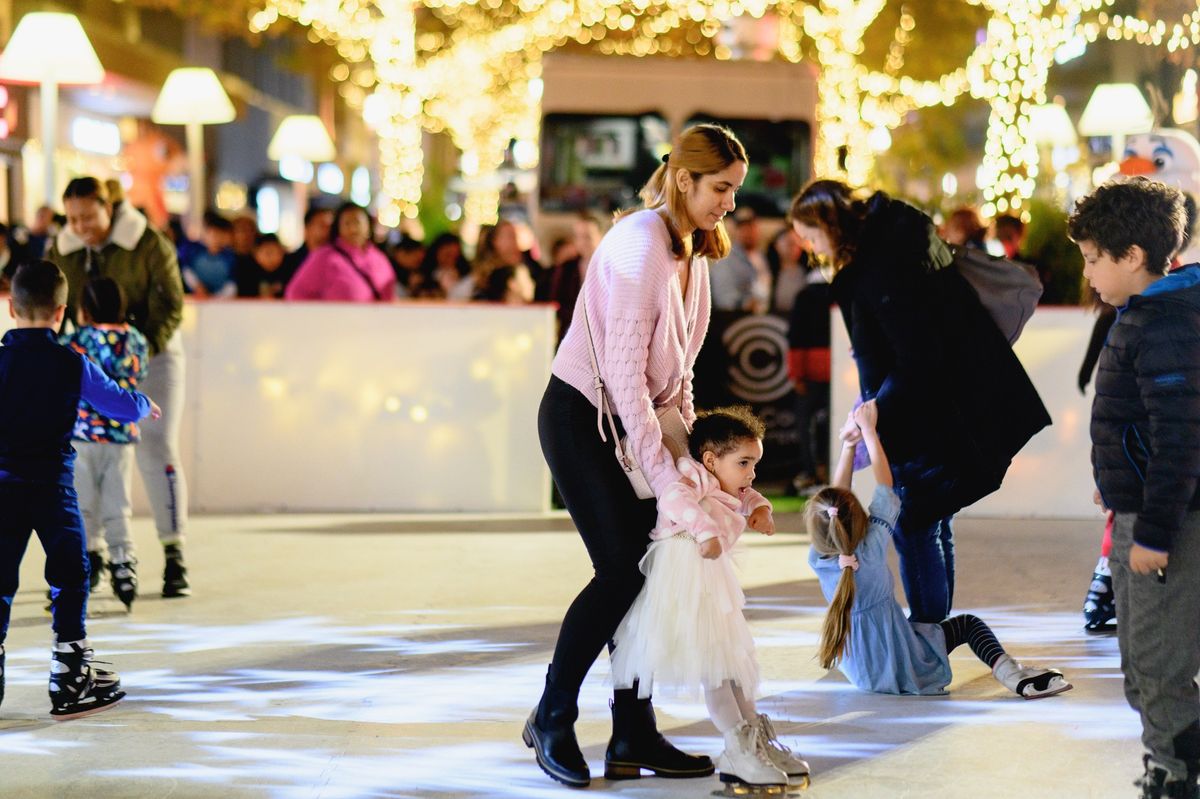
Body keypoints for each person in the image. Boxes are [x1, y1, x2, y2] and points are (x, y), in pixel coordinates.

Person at [526, 123, 748, 788]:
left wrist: (699, 465)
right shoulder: (637, 245)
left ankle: (633, 731)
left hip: (629, 421)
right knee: (623, 570)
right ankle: (552, 715)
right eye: (721, 188)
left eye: (733, 190)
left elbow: (677, 381)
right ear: (683, 178)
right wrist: (667, 480)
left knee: (646, 571)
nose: (730, 203)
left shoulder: (693, 252)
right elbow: (625, 382)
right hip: (580, 418)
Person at [789, 180, 1050, 623]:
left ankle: (929, 631)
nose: (812, 249)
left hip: (926, 416)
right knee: (931, 519)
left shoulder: (875, 270)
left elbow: (912, 355)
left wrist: (875, 411)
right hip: (947, 407)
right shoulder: (901, 243)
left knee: (914, 522)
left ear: (829, 225)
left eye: (811, 237)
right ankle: (936, 626)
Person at [1067, 177, 1200, 799]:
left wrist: (1153, 531)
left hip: (1163, 526)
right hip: (1135, 510)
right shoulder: (1142, 314)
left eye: (1094, 258)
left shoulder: (1165, 324)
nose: (1088, 272)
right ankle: (1171, 763)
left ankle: (1176, 775)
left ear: (1132, 257)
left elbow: (1180, 437)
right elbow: (1138, 425)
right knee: (1139, 662)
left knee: (1157, 664)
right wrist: (1114, 482)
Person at [808, 401, 1072, 700]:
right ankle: (1015, 677)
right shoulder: (870, 550)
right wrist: (869, 431)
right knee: (968, 625)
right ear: (858, 520)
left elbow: (840, 504)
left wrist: (848, 447)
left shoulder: (819, 559)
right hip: (905, 668)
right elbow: (885, 488)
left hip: (862, 674)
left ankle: (1013, 674)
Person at [611, 407, 809, 790]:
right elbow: (673, 501)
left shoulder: (726, 481)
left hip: (711, 579)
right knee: (716, 666)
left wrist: (762, 509)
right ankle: (736, 745)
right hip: (685, 577)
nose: (751, 474)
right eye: (744, 463)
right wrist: (704, 531)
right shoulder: (693, 477)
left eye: (754, 464)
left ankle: (754, 736)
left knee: (733, 662)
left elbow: (748, 495)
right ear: (710, 460)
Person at [0, 261, 159, 717]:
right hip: (53, 489)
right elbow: (116, 402)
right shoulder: (74, 364)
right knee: (71, 576)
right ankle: (69, 675)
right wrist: (144, 405)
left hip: (4, 488)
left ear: (12, 307)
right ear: (62, 312)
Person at [47, 176, 190, 599]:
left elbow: (171, 303)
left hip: (153, 354)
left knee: (156, 446)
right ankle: (92, 556)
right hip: (92, 360)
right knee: (85, 457)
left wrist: (137, 350)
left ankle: (173, 552)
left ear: (108, 208)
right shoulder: (65, 245)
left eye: (89, 216)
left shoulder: (146, 243)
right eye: (73, 218)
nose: (81, 226)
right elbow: (55, 298)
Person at [62, 278, 149, 609]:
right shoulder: (137, 340)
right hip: (121, 438)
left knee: (83, 504)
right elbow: (138, 375)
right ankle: (123, 564)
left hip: (83, 436)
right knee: (118, 503)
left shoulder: (79, 339)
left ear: (84, 310)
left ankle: (89, 560)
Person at [285, 202, 396, 302]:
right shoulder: (324, 257)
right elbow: (295, 293)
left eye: (357, 222)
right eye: (347, 223)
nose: (353, 229)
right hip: (336, 323)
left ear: (368, 225)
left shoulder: (379, 258)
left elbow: (390, 296)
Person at [547, 213, 604, 346]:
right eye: (578, 237)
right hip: (571, 333)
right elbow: (556, 301)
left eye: (587, 237)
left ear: (601, 236)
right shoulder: (567, 268)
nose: (583, 242)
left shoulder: (610, 267)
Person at [709, 207, 769, 313]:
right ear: (735, 230)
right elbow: (723, 299)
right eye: (742, 228)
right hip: (738, 321)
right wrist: (744, 303)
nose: (748, 232)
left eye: (751, 226)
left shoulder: (762, 256)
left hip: (765, 318)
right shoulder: (725, 259)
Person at [180, 211, 237, 298]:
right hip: (194, 298)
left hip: (219, 302)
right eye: (213, 233)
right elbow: (186, 271)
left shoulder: (230, 257)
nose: (216, 238)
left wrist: (216, 298)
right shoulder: (194, 251)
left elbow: (231, 284)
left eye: (220, 234)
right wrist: (197, 286)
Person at [235, 233, 294, 299]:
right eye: (267, 253)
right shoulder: (247, 273)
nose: (271, 258)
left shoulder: (290, 271)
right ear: (256, 254)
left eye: (276, 252)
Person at [282, 206, 333, 278]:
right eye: (322, 226)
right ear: (307, 228)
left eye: (331, 227)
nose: (329, 231)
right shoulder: (290, 263)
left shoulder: (336, 260)